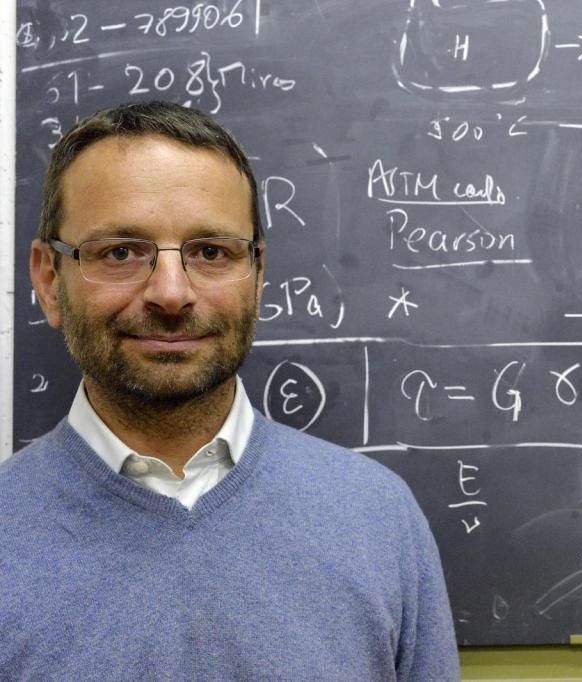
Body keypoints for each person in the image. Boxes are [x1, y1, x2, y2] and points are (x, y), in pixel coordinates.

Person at [0, 100, 460, 680]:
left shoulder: (378, 518)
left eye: (211, 252)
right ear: (48, 280)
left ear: (258, 275)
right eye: (120, 251)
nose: (171, 293)